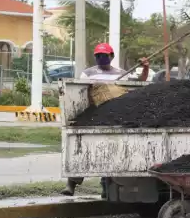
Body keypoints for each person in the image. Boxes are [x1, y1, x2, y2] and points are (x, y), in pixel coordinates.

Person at [60, 43, 150, 197]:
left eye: (104, 55)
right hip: (94, 113)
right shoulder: (87, 74)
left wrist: (146, 68)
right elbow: (81, 92)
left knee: (111, 151)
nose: (101, 58)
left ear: (111, 56)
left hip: (115, 115)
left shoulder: (121, 73)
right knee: (81, 148)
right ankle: (71, 184)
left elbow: (138, 84)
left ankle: (105, 187)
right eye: (98, 56)